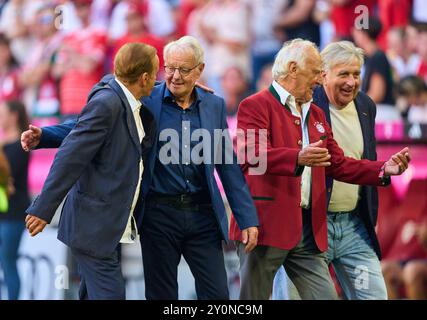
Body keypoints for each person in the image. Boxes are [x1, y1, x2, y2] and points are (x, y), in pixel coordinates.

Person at [21, 36, 259, 300]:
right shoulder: (147, 97)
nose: (175, 76)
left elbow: (227, 165)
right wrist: (46, 136)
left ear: (200, 71)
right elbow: (88, 125)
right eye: (170, 68)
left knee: (217, 296)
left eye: (184, 70)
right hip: (159, 216)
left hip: (202, 216)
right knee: (161, 296)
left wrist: (246, 217)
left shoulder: (213, 105)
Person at [229, 38, 411, 300]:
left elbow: (336, 163)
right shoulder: (255, 105)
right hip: (264, 225)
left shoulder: (315, 113)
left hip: (307, 231)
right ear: (292, 69)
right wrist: (298, 157)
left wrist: (383, 169)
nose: (318, 79)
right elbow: (251, 155)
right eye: (315, 72)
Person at [24, 42, 159, 300]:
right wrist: (43, 207)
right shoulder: (108, 103)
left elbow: (80, 125)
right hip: (93, 228)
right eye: (155, 74)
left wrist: (46, 136)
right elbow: (70, 156)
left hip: (108, 227)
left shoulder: (122, 94)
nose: (158, 79)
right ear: (143, 78)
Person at [0, 100, 30, 300]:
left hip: (14, 213)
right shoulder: (4, 145)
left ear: (14, 116)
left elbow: (9, 180)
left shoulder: (21, 144)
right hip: (4, 211)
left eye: (3, 113)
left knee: (8, 261)